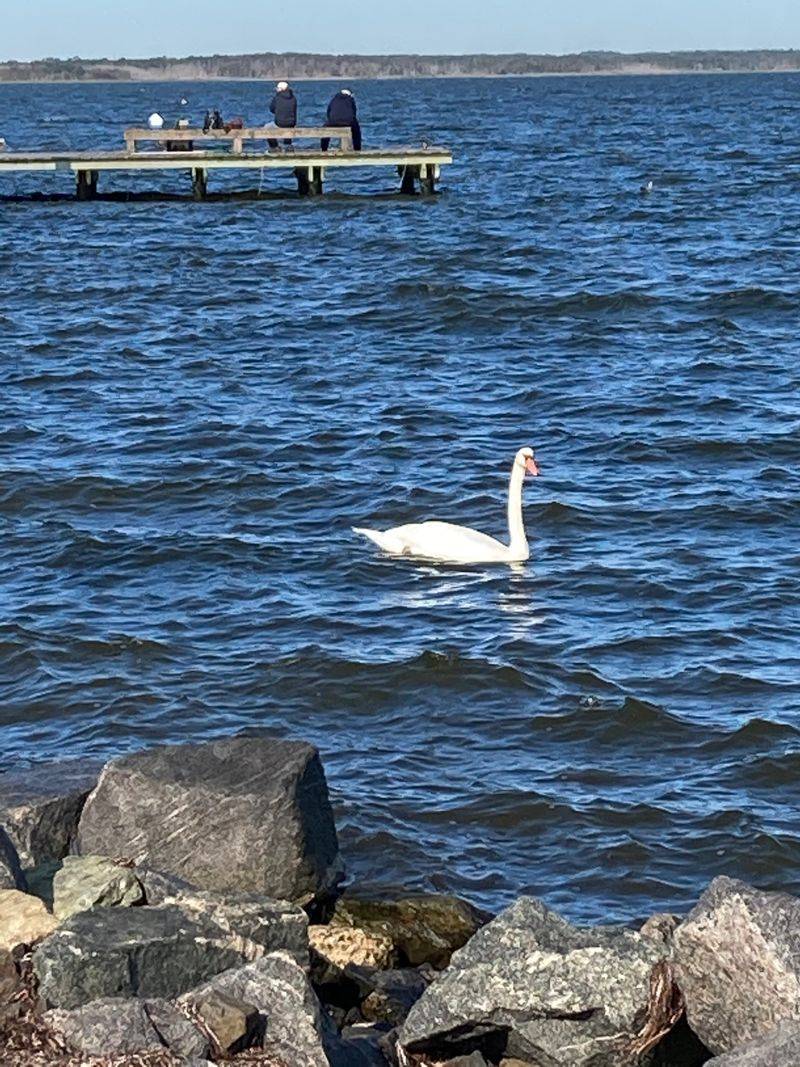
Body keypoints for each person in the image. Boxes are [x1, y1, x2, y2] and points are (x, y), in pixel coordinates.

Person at [269, 81, 297, 150]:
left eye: (278, 88)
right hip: (291, 123)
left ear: (281, 89)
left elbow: (271, 109)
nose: (277, 90)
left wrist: (278, 112)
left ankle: (274, 147)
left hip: (279, 123)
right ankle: (288, 147)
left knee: (267, 128)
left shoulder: (277, 97)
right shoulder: (293, 98)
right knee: (289, 128)